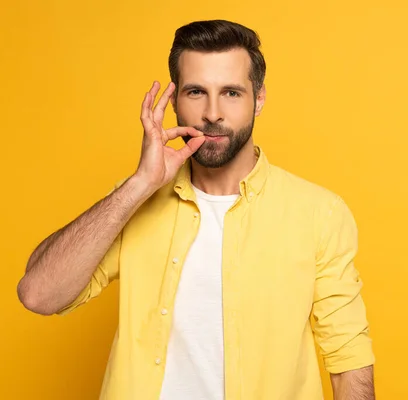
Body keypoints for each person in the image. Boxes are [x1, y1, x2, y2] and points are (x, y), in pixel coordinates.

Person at [17, 19, 375, 400]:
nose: (213, 113)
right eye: (196, 92)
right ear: (173, 102)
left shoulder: (319, 213)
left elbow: (348, 358)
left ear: (260, 98)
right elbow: (39, 294)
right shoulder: (135, 201)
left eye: (232, 93)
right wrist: (139, 185)